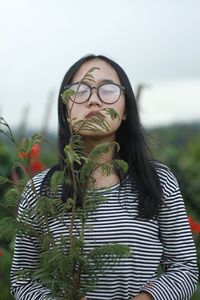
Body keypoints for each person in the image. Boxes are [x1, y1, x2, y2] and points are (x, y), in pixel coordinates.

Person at [11, 54, 198, 300]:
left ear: (125, 111)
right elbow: (23, 281)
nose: (94, 101)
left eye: (108, 90)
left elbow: (184, 268)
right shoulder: (41, 190)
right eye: (80, 91)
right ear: (66, 110)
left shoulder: (158, 181)